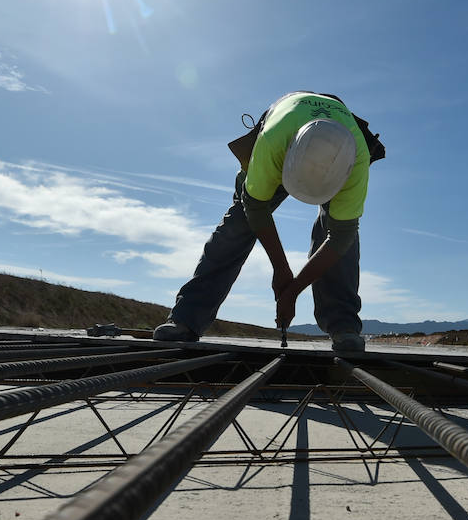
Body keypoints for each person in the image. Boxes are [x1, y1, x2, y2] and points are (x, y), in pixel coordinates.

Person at [153, 91, 376, 352]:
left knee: (343, 241)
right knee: (238, 224)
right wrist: (281, 270)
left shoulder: (357, 159)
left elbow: (341, 238)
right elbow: (255, 209)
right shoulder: (273, 142)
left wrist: (292, 290)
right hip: (285, 124)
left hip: (334, 143)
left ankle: (344, 327)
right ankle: (185, 319)